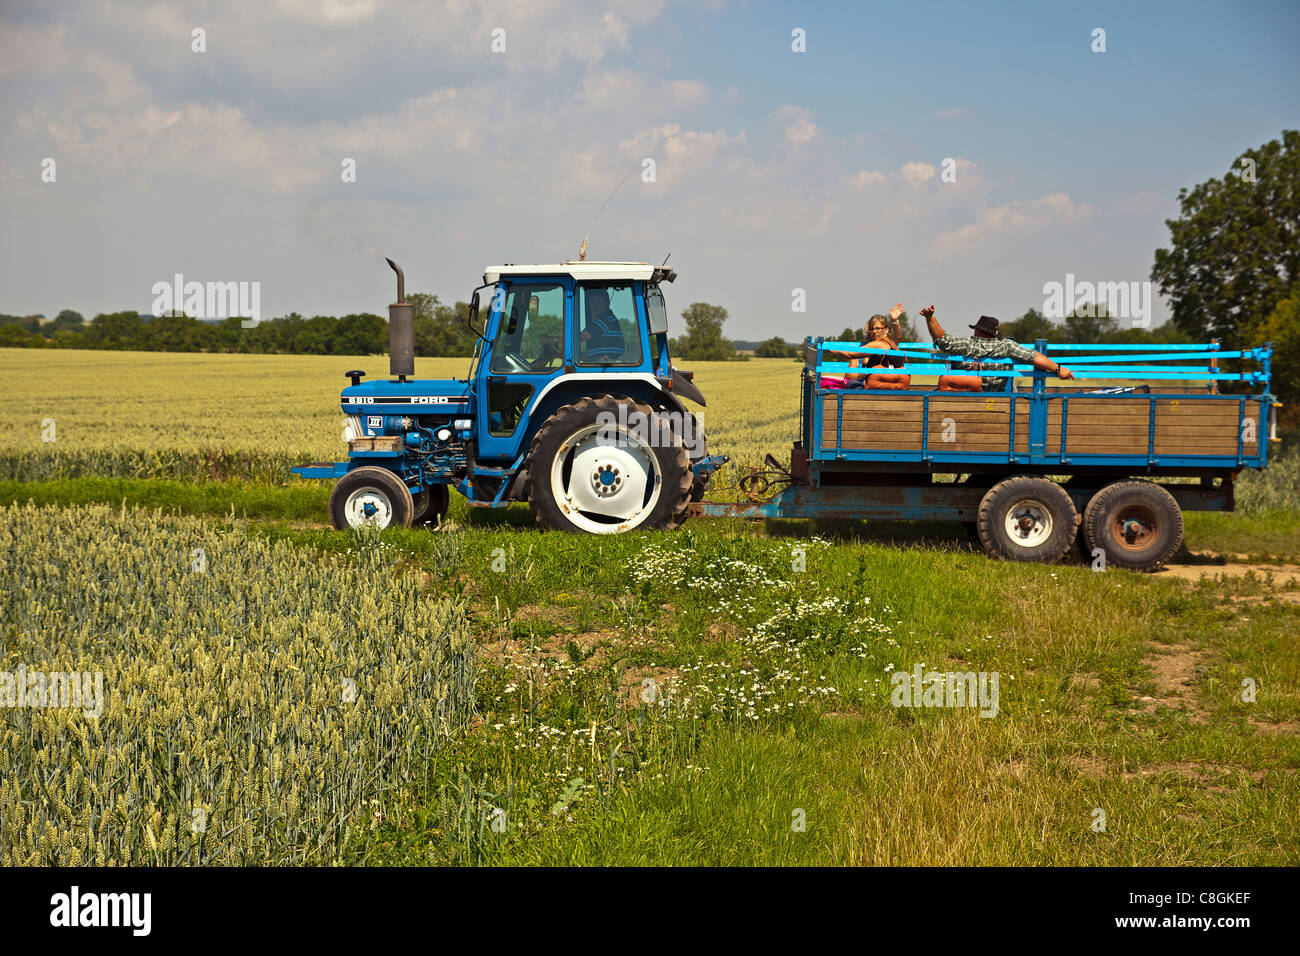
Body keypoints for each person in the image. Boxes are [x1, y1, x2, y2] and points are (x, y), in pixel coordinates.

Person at [918, 306, 1073, 391]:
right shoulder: (1006, 345)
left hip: (963, 395)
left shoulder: (968, 344)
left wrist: (930, 318)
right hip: (995, 398)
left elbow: (942, 340)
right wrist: (1058, 369)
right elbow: (1034, 357)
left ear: (978, 330)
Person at [861, 305, 911, 390]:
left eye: (877, 328)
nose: (874, 332)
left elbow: (897, 335)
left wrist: (895, 321)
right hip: (891, 386)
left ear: (886, 330)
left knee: (850, 383)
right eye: (872, 329)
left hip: (876, 387)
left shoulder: (887, 344)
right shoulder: (877, 344)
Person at [580, 288, 625, 363]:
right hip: (604, 363)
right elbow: (595, 354)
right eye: (591, 302)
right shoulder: (598, 323)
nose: (593, 306)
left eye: (596, 302)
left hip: (607, 365)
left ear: (607, 303)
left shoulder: (606, 320)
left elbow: (580, 337)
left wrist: (557, 341)